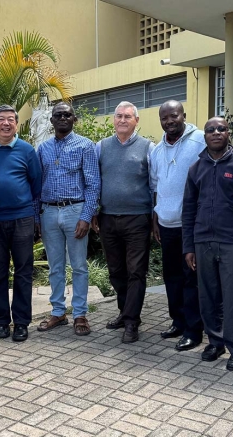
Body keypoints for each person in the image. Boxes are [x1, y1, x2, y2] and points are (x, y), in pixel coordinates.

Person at [150, 100, 233, 352]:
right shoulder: (170, 156)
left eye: (174, 116)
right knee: (187, 286)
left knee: (216, 292)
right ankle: (196, 332)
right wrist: (157, 219)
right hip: (181, 230)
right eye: (164, 118)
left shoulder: (217, 150)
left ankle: (217, 340)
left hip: (217, 235)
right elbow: (168, 195)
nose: (169, 121)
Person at [182, 117, 233, 371]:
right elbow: (189, 210)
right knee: (208, 295)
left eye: (221, 129)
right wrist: (188, 247)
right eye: (210, 130)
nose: (216, 133)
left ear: (228, 134)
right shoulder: (195, 168)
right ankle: (215, 342)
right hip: (202, 241)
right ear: (204, 136)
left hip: (232, 241)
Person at [0, 104, 42, 342]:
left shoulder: (26, 150)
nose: (6, 123)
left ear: (16, 124)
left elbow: (36, 185)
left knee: (24, 272)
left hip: (22, 219)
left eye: (11, 120)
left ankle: (22, 323)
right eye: (1, 119)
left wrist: (30, 214)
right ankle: (2, 321)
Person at [92, 101, 154, 343]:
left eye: (128, 116)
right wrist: (94, 212)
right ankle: (124, 312)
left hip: (137, 218)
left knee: (136, 272)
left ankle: (131, 322)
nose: (122, 120)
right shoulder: (102, 147)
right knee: (116, 271)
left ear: (136, 121)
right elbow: (95, 181)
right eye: (118, 116)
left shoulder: (148, 147)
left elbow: (154, 183)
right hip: (108, 218)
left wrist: (154, 217)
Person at [36, 102, 100, 336]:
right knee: (55, 266)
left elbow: (93, 184)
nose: (62, 118)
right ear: (51, 120)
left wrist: (86, 216)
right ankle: (58, 311)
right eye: (58, 115)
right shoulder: (42, 149)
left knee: (79, 266)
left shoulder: (86, 146)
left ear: (74, 119)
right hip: (49, 212)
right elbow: (36, 185)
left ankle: (80, 313)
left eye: (67, 115)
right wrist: (37, 217)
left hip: (75, 210)